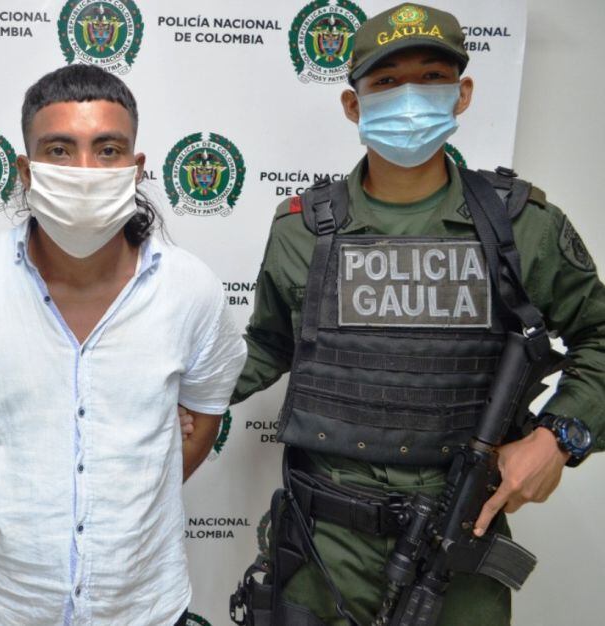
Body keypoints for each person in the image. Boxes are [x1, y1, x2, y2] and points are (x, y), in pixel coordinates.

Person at [228, 4, 604, 625]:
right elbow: (268, 345)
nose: (410, 98)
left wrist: (557, 438)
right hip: (322, 544)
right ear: (353, 105)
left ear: (463, 93)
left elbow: (599, 337)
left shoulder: (522, 227)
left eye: (432, 78)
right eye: (386, 81)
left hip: (458, 535)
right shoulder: (303, 229)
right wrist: (179, 395)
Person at [0, 64, 247, 625]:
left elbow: (202, 422)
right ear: (26, 171)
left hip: (139, 607)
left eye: (108, 150)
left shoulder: (192, 291)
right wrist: (13, 522)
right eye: (59, 150)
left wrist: (128, 512)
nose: (85, 171)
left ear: (136, 168)